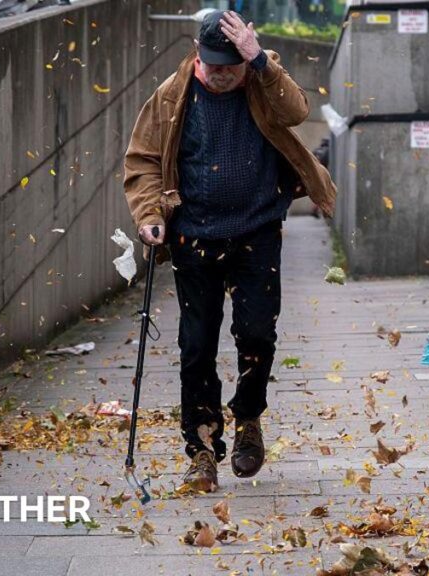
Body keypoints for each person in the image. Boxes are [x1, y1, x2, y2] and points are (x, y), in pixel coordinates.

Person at [122, 10, 336, 492]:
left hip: (256, 234)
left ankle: (248, 422)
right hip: (193, 238)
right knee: (196, 346)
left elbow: (297, 112)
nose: (220, 75)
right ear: (198, 57)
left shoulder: (262, 81)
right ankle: (201, 450)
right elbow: (143, 161)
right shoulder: (172, 98)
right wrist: (150, 215)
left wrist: (259, 62)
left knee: (257, 335)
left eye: (230, 66)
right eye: (212, 65)